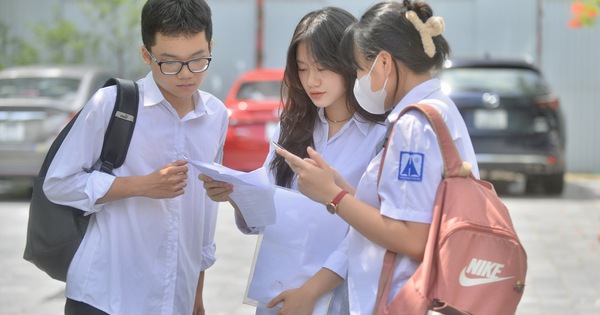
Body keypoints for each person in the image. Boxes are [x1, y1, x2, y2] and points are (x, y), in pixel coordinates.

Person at [274, 1, 481, 314]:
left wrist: (334, 196)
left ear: (383, 63)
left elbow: (413, 237)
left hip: (402, 297)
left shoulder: (413, 125)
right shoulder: (439, 108)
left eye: (359, 68)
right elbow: (403, 209)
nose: (358, 78)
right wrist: (344, 189)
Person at [43, 0, 228, 314]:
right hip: (105, 296)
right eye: (170, 62)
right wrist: (140, 186)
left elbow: (203, 216)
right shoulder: (112, 104)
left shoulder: (216, 115)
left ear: (210, 46)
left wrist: (196, 293)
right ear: (147, 55)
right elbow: (58, 184)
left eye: (198, 60)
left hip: (175, 299)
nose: (186, 74)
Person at [200, 7, 386, 315]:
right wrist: (235, 195)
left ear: (350, 64)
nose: (311, 80)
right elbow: (269, 215)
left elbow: (369, 231)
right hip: (280, 295)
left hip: (341, 299)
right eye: (302, 69)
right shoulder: (293, 125)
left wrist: (310, 292)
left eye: (321, 67)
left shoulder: (378, 135)